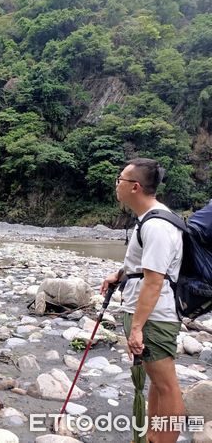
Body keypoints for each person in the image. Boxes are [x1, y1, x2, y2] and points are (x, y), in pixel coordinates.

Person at [100, 158, 184, 443]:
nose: (116, 184)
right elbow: (142, 267)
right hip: (147, 313)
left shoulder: (157, 225)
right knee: (156, 384)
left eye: (120, 180)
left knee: (167, 385)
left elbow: (155, 280)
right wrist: (120, 274)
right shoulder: (146, 219)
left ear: (134, 187)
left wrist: (136, 327)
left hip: (154, 317)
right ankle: (153, 437)